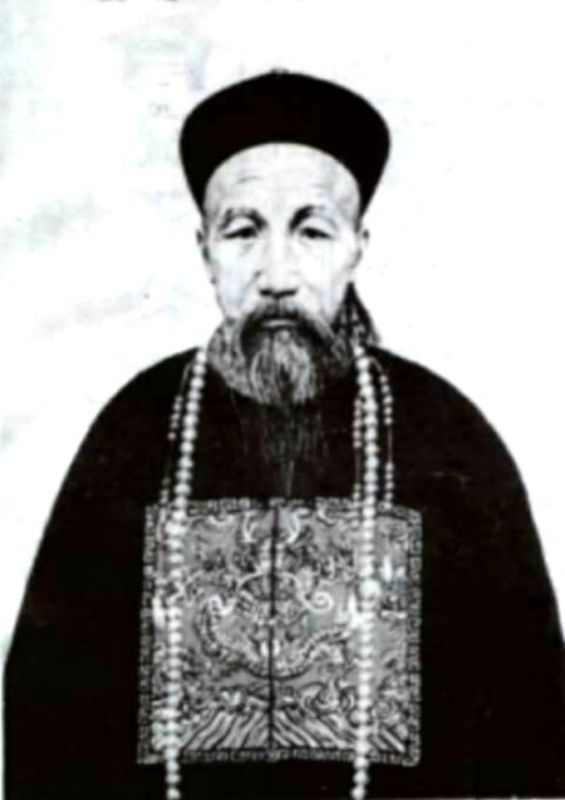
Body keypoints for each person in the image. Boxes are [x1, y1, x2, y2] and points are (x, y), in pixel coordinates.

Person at [4, 71, 565, 800]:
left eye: (311, 231)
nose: (277, 275)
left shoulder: (448, 439)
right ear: (205, 250)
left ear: (356, 247)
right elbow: (47, 724)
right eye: (243, 232)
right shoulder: (135, 433)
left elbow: (527, 726)